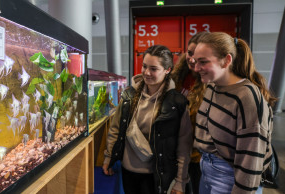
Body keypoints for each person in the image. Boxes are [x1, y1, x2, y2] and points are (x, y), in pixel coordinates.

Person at [192, 32, 276, 194]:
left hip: (230, 177)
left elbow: (251, 161)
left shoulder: (247, 97)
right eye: (196, 62)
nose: (196, 68)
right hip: (207, 170)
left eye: (203, 62)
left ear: (227, 60)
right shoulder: (212, 86)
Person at [102, 45, 193, 194]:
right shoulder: (128, 96)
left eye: (154, 68)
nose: (147, 72)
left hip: (157, 176)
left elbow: (184, 146)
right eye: (144, 66)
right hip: (128, 173)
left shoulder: (177, 103)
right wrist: (108, 158)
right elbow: (115, 129)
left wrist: (180, 181)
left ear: (167, 69)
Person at [171, 32, 208, 194]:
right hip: (175, 151)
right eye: (190, 53)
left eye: (199, 56)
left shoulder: (209, 82)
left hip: (197, 157)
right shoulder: (177, 76)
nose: (192, 59)